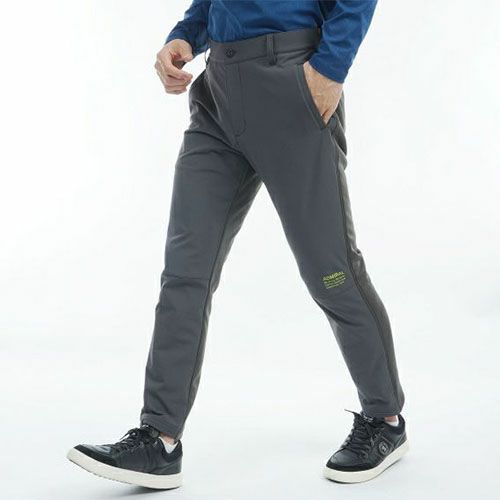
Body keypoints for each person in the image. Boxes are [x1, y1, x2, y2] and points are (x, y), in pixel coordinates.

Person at [67, 0, 407, 489]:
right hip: (218, 96)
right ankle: (159, 439)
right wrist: (186, 34)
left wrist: (330, 70)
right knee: (185, 272)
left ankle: (385, 419)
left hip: (292, 82)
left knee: (332, 273)